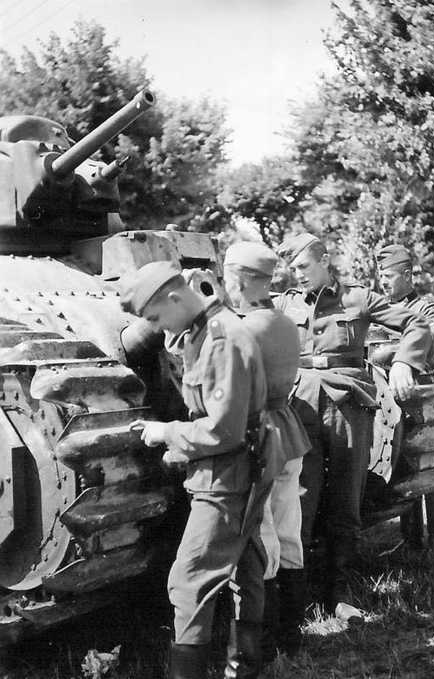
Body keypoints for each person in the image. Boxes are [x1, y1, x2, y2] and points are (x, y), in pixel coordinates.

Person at [120, 260, 276, 679]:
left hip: (227, 472)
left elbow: (222, 429)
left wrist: (166, 432)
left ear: (174, 297)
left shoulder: (221, 338)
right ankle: (244, 668)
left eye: (154, 317)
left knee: (188, 582)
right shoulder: (204, 330)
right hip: (240, 466)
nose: (155, 327)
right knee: (245, 565)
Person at [276, 233, 432, 617]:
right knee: (301, 496)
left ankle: (340, 592)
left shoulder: (356, 298)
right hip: (300, 406)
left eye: (303, 267)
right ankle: (298, 595)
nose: (297, 275)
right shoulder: (283, 303)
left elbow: (418, 322)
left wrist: (403, 362)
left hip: (348, 404)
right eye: (292, 268)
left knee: (346, 498)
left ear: (324, 260)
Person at [223, 241, 311, 657]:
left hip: (259, 438)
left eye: (227, 276)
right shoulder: (284, 323)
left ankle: (266, 643)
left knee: (263, 540)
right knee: (289, 532)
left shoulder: (241, 328)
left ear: (238, 279)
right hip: (288, 430)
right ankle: (293, 636)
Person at [377, 244, 434, 560]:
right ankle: (410, 540)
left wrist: (389, 353)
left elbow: (426, 348)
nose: (383, 282)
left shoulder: (426, 309)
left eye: (389, 275)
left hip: (423, 398)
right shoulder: (380, 308)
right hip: (389, 401)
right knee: (401, 469)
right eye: (380, 275)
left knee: (431, 468)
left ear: (407, 275)